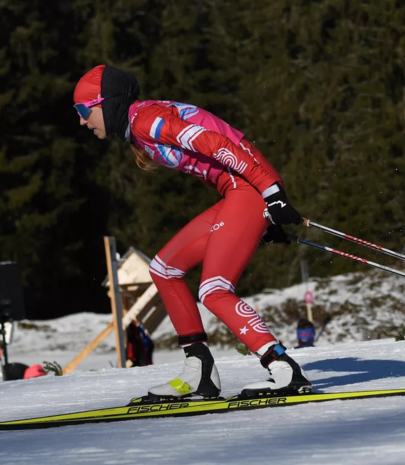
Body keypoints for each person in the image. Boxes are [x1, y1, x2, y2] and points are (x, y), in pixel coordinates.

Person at [74, 65, 311, 399]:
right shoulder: (140, 125)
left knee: (213, 289)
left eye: (84, 111)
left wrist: (270, 192)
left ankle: (284, 369)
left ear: (107, 102)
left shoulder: (146, 120)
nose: (82, 121)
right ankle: (199, 371)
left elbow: (215, 143)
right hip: (237, 190)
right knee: (164, 268)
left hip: (247, 185)